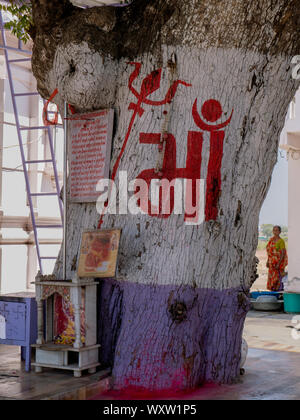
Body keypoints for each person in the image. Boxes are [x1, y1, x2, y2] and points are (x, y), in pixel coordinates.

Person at [266, 225, 288, 291]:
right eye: (274, 230)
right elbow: (270, 253)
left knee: (278, 278)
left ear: (280, 232)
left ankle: (278, 292)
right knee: (271, 279)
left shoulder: (281, 241)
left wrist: (279, 263)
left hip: (278, 264)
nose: (275, 232)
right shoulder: (271, 240)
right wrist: (268, 261)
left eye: (277, 230)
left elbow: (282, 253)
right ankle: (272, 291)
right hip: (271, 263)